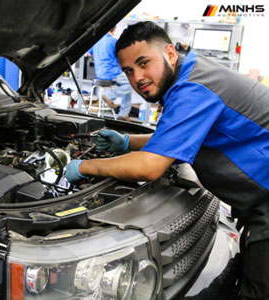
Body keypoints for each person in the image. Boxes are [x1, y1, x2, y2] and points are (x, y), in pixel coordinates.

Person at [66, 21, 269, 300]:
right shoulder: (195, 73)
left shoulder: (194, 90)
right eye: (128, 71)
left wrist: (82, 167)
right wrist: (126, 141)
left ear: (170, 54)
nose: (137, 77)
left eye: (144, 63)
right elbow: (176, 139)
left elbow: (150, 167)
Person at [89, 26, 132, 119]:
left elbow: (90, 53)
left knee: (127, 89)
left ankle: (124, 115)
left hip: (99, 73)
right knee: (132, 83)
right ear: (115, 28)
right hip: (112, 73)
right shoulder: (113, 41)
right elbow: (122, 56)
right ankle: (110, 96)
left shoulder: (96, 41)